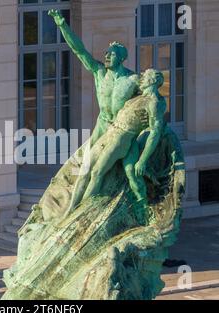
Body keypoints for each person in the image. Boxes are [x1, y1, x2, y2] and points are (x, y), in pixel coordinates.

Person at [65, 69, 167, 224]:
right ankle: (70, 210)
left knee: (97, 173)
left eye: (145, 76)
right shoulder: (139, 96)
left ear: (152, 81)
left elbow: (155, 133)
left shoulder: (154, 103)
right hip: (109, 133)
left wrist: (143, 160)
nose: (142, 78)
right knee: (84, 170)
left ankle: (80, 215)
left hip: (122, 139)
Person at [49, 9, 139, 146]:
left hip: (122, 128)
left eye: (112, 54)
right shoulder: (99, 72)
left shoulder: (132, 79)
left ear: (121, 58)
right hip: (103, 124)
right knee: (87, 160)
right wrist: (63, 26)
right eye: (106, 53)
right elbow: (79, 50)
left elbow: (151, 97)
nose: (107, 56)